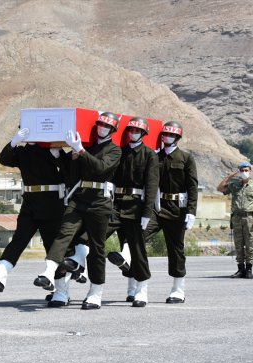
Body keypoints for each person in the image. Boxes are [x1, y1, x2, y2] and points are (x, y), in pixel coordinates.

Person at [0, 127, 84, 306]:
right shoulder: (23, 151)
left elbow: (71, 172)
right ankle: (0, 275)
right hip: (30, 202)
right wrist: (14, 141)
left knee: (53, 247)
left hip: (52, 202)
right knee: (19, 239)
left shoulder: (54, 149)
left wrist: (59, 156)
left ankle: (61, 292)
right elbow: (3, 159)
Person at [34, 111, 121, 310]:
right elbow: (72, 173)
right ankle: (49, 272)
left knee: (97, 248)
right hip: (79, 198)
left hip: (100, 202)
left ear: (113, 130)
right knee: (63, 235)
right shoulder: (86, 146)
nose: (102, 128)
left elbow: (100, 168)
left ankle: (95, 292)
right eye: (100, 125)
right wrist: (60, 155)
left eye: (106, 126)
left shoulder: (115, 151)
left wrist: (80, 150)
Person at [135, 121, 198, 303]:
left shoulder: (186, 158)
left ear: (177, 138)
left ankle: (178, 289)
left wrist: (191, 211)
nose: (166, 137)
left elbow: (192, 187)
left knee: (176, 249)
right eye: (164, 134)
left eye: (171, 135)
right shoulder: (154, 157)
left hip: (177, 209)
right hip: (156, 207)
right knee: (139, 239)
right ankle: (141, 289)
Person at [101, 117, 159, 307]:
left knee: (137, 249)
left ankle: (141, 291)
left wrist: (147, 213)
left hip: (136, 207)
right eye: (130, 130)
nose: (132, 133)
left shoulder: (150, 155)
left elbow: (151, 186)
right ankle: (81, 267)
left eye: (136, 131)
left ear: (143, 134)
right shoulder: (121, 152)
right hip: (117, 205)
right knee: (97, 235)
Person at [217, 161, 253, 278]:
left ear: (250, 171)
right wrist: (229, 177)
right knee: (238, 244)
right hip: (237, 217)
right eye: (242, 171)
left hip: (249, 217)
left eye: (246, 170)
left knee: (249, 244)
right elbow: (220, 189)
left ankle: (249, 269)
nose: (244, 173)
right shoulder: (234, 185)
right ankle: (240, 269)